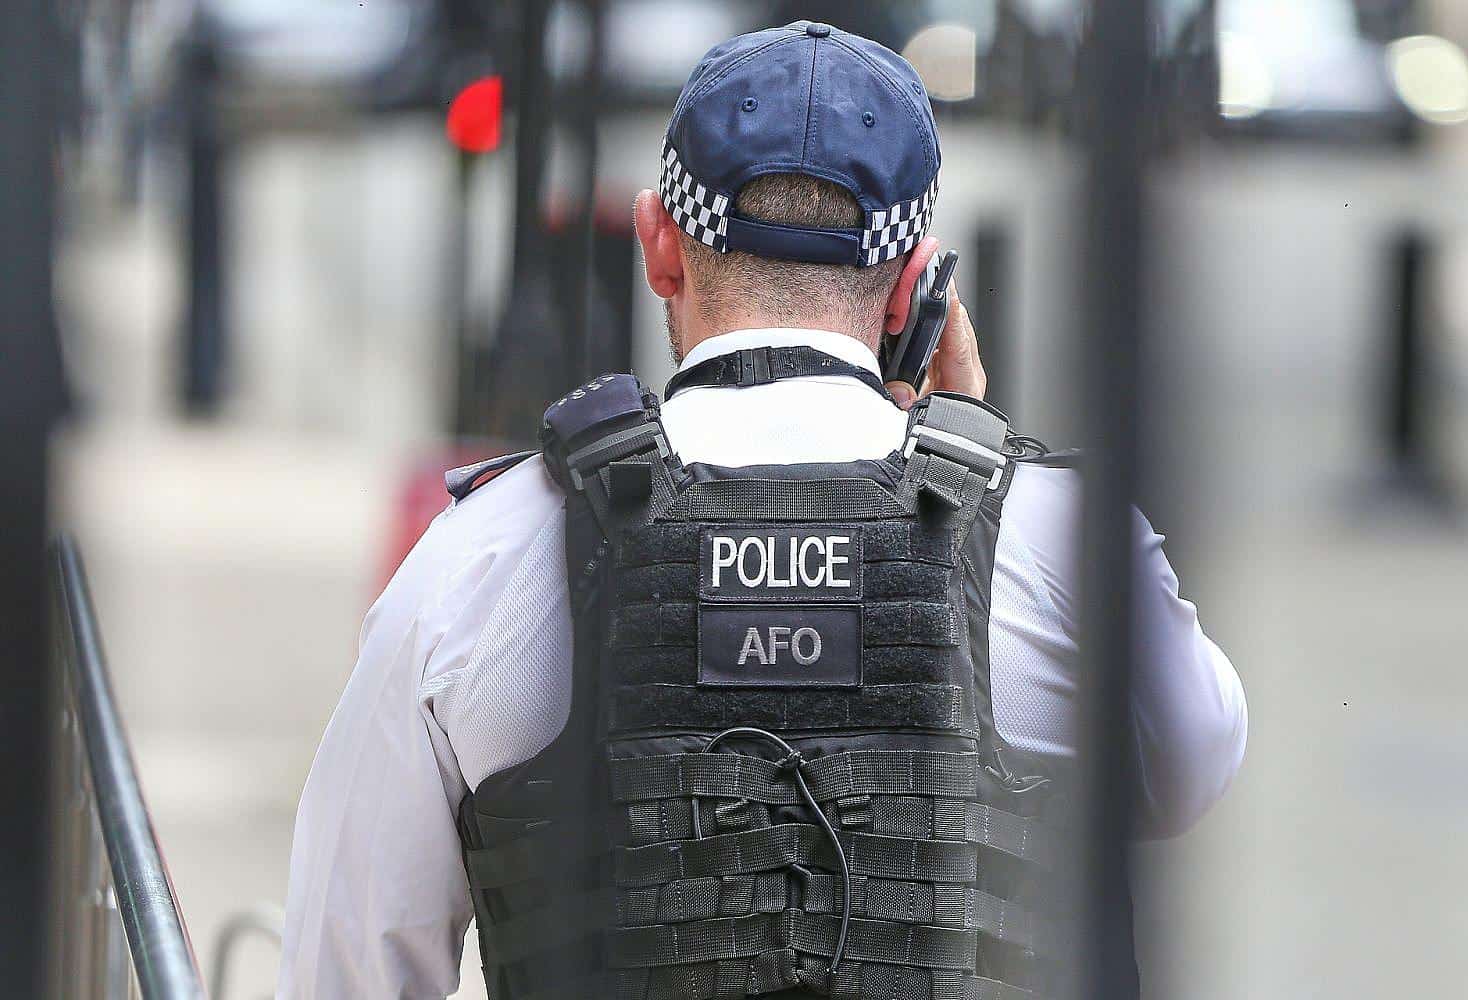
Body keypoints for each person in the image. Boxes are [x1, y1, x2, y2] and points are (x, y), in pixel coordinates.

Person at [277, 21, 1247, 1000]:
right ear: (916, 288)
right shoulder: (1064, 543)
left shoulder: (483, 558)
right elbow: (1192, 768)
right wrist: (981, 454)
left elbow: (343, 968)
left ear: (659, 246)